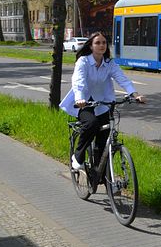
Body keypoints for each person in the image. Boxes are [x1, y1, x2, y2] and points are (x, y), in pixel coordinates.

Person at [60, 32, 145, 170]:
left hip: (104, 104)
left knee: (104, 140)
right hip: (85, 103)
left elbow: (122, 79)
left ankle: (102, 176)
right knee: (91, 124)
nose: (101, 45)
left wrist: (135, 94)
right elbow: (78, 81)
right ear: (91, 46)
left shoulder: (109, 63)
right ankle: (78, 155)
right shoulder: (84, 61)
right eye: (97, 43)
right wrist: (80, 98)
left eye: (104, 43)